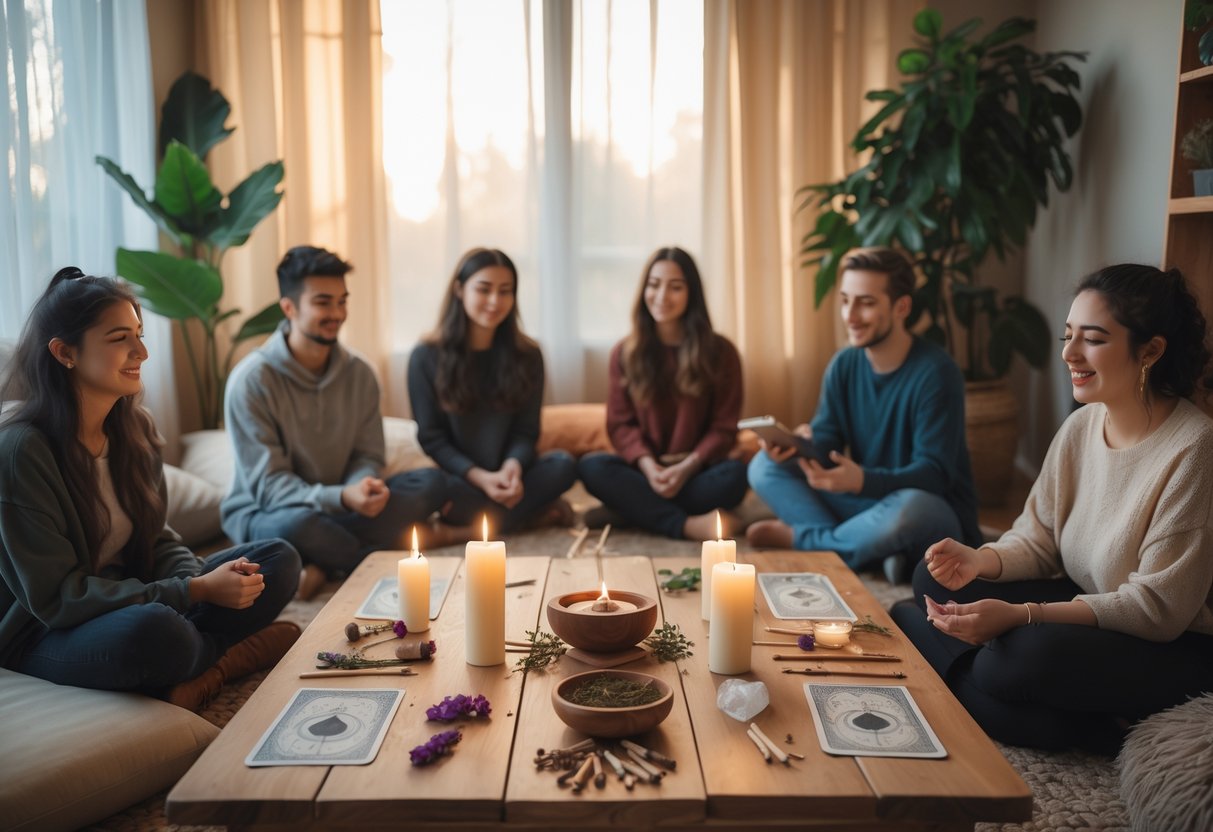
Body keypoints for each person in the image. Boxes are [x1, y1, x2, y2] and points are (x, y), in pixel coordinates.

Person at [891, 264, 1213, 754]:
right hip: (1088, 598)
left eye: (1094, 339)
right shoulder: (1082, 426)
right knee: (931, 578)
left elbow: (1157, 610)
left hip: (1170, 644)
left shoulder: (1194, 448)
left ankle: (981, 680)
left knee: (1015, 659)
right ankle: (1037, 716)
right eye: (1068, 336)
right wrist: (982, 560)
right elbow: (1038, 538)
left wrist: (1022, 616)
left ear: (1151, 350)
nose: (1069, 354)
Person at [0, 268, 300, 712]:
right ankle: (228, 660)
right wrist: (194, 593)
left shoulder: (134, 429)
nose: (141, 351)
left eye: (139, 334)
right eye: (120, 338)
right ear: (65, 352)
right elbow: (58, 599)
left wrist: (199, 579)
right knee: (158, 634)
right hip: (46, 630)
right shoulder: (21, 451)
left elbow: (158, 537)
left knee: (277, 560)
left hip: (137, 594)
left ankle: (198, 664)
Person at [222, 246, 446, 598]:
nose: (338, 313)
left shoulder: (361, 374)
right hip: (269, 513)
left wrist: (362, 487)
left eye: (342, 301)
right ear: (289, 307)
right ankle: (377, 558)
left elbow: (368, 454)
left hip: (344, 507)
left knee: (431, 482)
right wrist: (343, 497)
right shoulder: (251, 381)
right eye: (324, 302)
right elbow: (269, 488)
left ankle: (324, 562)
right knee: (296, 525)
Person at [746, 246, 980, 583]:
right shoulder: (844, 364)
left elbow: (935, 475)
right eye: (845, 300)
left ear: (901, 307)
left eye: (866, 303)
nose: (850, 315)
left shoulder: (937, 373)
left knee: (914, 508)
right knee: (764, 466)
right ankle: (869, 550)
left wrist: (862, 481)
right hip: (866, 506)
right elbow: (828, 442)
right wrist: (800, 445)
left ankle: (804, 540)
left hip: (927, 512)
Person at [578, 247, 748, 540]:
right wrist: (648, 465)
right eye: (654, 284)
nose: (661, 295)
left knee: (736, 476)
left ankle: (632, 510)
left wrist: (685, 468)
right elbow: (620, 425)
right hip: (645, 470)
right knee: (591, 467)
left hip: (696, 471)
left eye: (676, 287)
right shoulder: (624, 353)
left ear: (691, 293)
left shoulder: (721, 352)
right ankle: (685, 525)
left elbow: (724, 428)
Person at [408, 247, 577, 542]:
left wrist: (512, 467)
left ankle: (466, 532)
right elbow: (432, 438)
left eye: (505, 291)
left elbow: (527, 430)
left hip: (513, 475)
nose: (495, 301)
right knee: (433, 487)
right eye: (484, 290)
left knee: (563, 465)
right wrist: (481, 478)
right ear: (459, 290)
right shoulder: (425, 356)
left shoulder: (529, 355)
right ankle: (524, 517)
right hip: (463, 479)